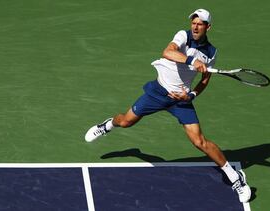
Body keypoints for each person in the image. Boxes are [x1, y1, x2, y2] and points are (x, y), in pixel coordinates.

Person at [84, 9, 251, 203]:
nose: (195, 26)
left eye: (200, 24)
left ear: (208, 27)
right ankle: (107, 126)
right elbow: (167, 52)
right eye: (194, 22)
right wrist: (192, 60)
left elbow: (205, 79)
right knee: (126, 121)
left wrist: (191, 94)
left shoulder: (212, 53)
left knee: (199, 142)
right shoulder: (183, 36)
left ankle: (235, 177)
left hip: (180, 99)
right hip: (158, 92)